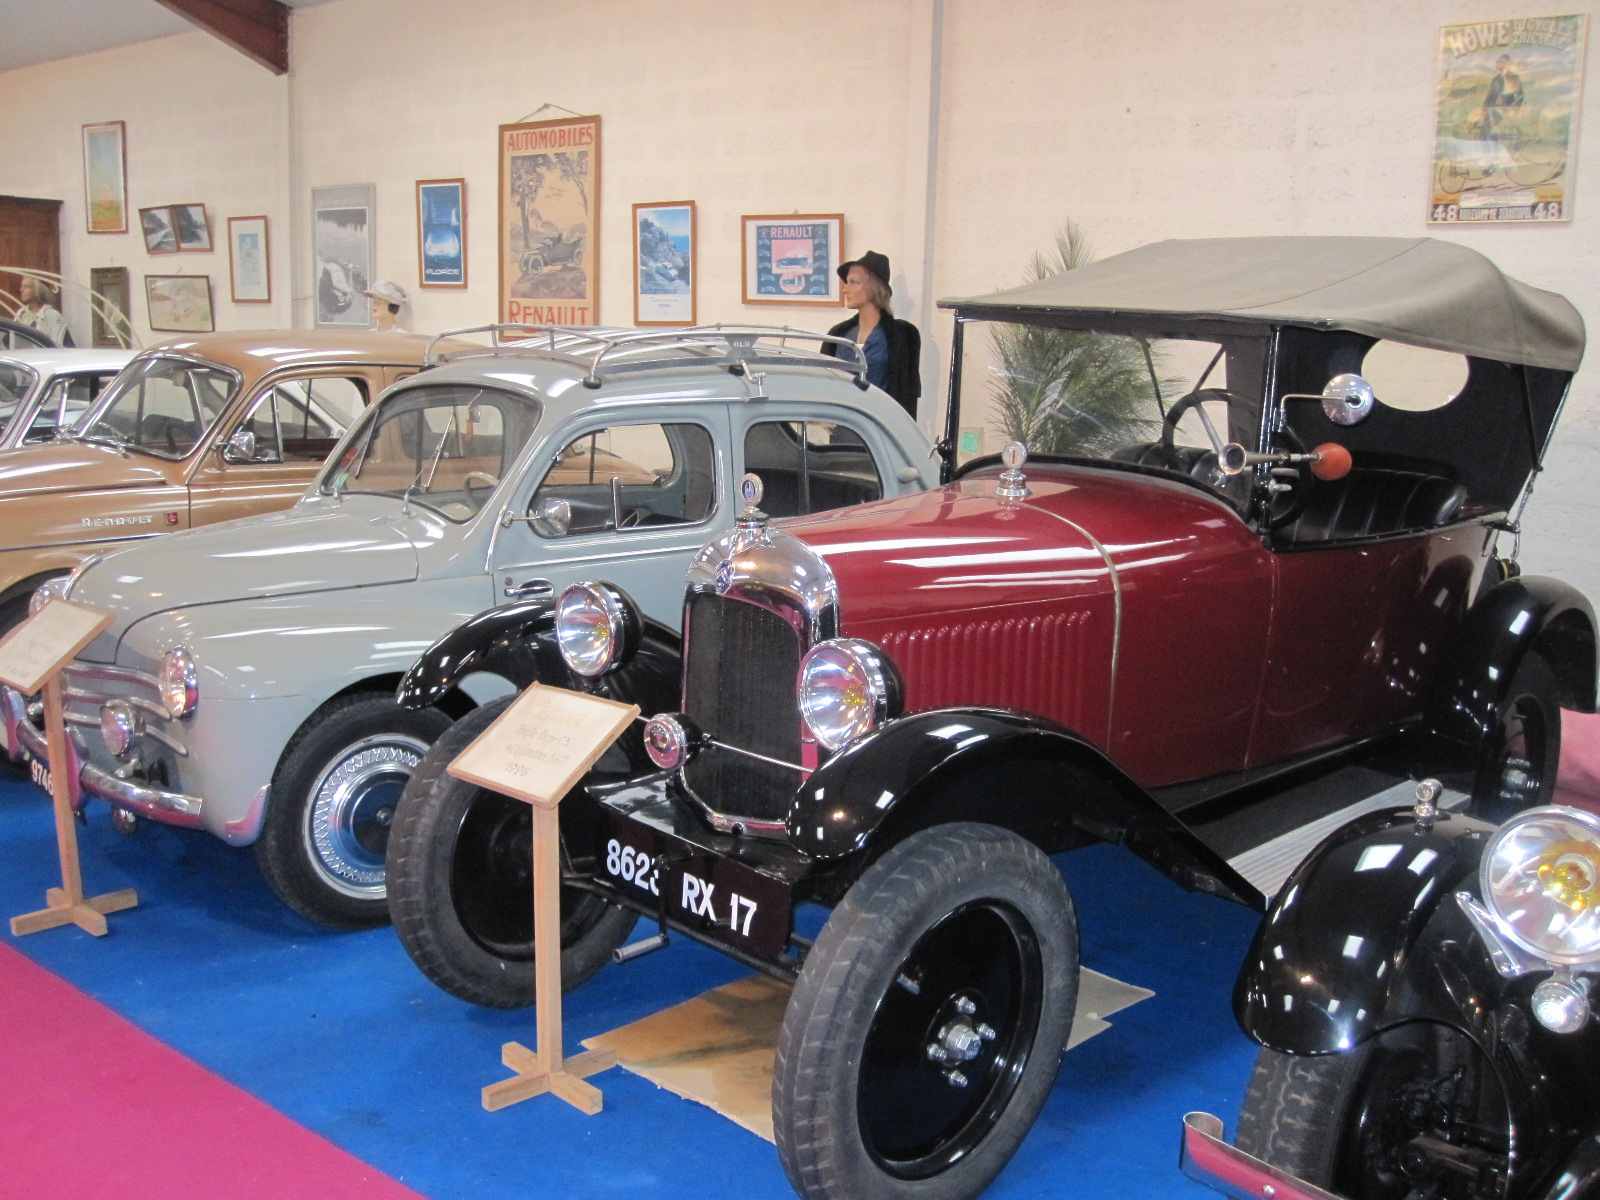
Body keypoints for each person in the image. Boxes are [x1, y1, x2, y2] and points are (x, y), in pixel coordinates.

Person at [822, 250, 921, 419]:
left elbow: (907, 392)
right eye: (846, 282)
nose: (845, 289)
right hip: (842, 424)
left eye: (854, 282)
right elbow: (824, 384)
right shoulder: (837, 335)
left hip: (880, 425)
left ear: (874, 287)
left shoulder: (903, 335)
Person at [12, 277, 70, 346]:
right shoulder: (21, 313)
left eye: (26, 287)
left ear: (38, 289)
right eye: (21, 286)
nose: (21, 290)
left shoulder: (51, 315)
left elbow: (58, 345)